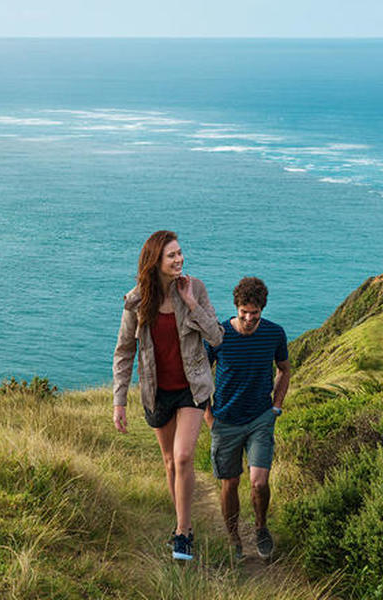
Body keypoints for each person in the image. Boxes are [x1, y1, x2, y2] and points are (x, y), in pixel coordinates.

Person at [112, 230, 223, 561]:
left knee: (184, 456)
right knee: (170, 462)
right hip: (156, 392)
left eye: (180, 253)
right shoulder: (135, 301)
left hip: (192, 388)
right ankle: (181, 524)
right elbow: (123, 352)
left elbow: (216, 337)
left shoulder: (195, 288)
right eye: (171, 255)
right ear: (155, 262)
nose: (179, 259)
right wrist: (119, 401)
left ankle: (183, 533)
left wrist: (190, 303)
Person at [205, 277, 291, 560]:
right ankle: (233, 538)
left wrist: (276, 406)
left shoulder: (274, 334)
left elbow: (284, 369)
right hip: (225, 420)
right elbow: (201, 376)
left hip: (259, 419)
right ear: (236, 307)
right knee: (229, 484)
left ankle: (261, 527)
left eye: (255, 313)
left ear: (262, 310)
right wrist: (208, 417)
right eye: (244, 311)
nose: (249, 317)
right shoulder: (218, 335)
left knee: (259, 483)